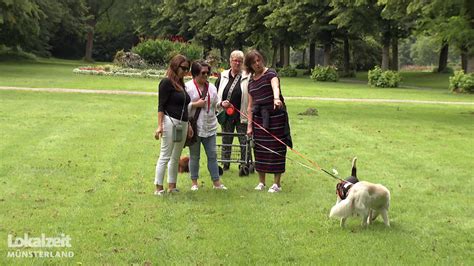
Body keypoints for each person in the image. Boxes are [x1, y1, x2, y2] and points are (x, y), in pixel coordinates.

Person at [244, 50, 292, 193]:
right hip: (259, 120)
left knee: (277, 150)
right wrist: (249, 126)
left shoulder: (271, 74)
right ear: (249, 65)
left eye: (258, 60)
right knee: (259, 150)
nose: (257, 64)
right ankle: (261, 182)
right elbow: (250, 106)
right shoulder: (251, 82)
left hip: (276, 118)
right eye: (253, 62)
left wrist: (276, 98)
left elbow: (275, 86)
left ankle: (276, 184)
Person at [185, 60, 227, 191]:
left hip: (210, 126)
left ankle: (216, 183)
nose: (206, 75)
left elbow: (215, 104)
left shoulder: (212, 88)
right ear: (195, 73)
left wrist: (222, 104)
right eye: (203, 73)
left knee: (213, 155)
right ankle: (194, 183)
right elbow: (181, 107)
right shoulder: (188, 87)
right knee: (194, 156)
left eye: (207, 72)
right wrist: (194, 105)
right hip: (194, 127)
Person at [154, 54, 192, 196]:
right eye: (183, 68)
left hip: (182, 123)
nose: (185, 71)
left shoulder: (181, 85)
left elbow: (185, 107)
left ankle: (172, 185)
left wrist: (189, 125)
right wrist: (160, 125)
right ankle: (158, 187)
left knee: (176, 156)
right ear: (175, 66)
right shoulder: (166, 83)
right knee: (165, 155)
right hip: (170, 122)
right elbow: (161, 106)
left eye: (187, 69)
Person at [215, 50, 251, 174]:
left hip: (242, 114)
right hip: (226, 114)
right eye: (234, 60)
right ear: (230, 61)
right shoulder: (223, 75)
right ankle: (225, 164)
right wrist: (220, 104)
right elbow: (215, 94)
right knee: (226, 139)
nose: (237, 63)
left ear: (243, 63)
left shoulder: (247, 76)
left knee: (244, 140)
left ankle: (244, 164)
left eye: (239, 61)